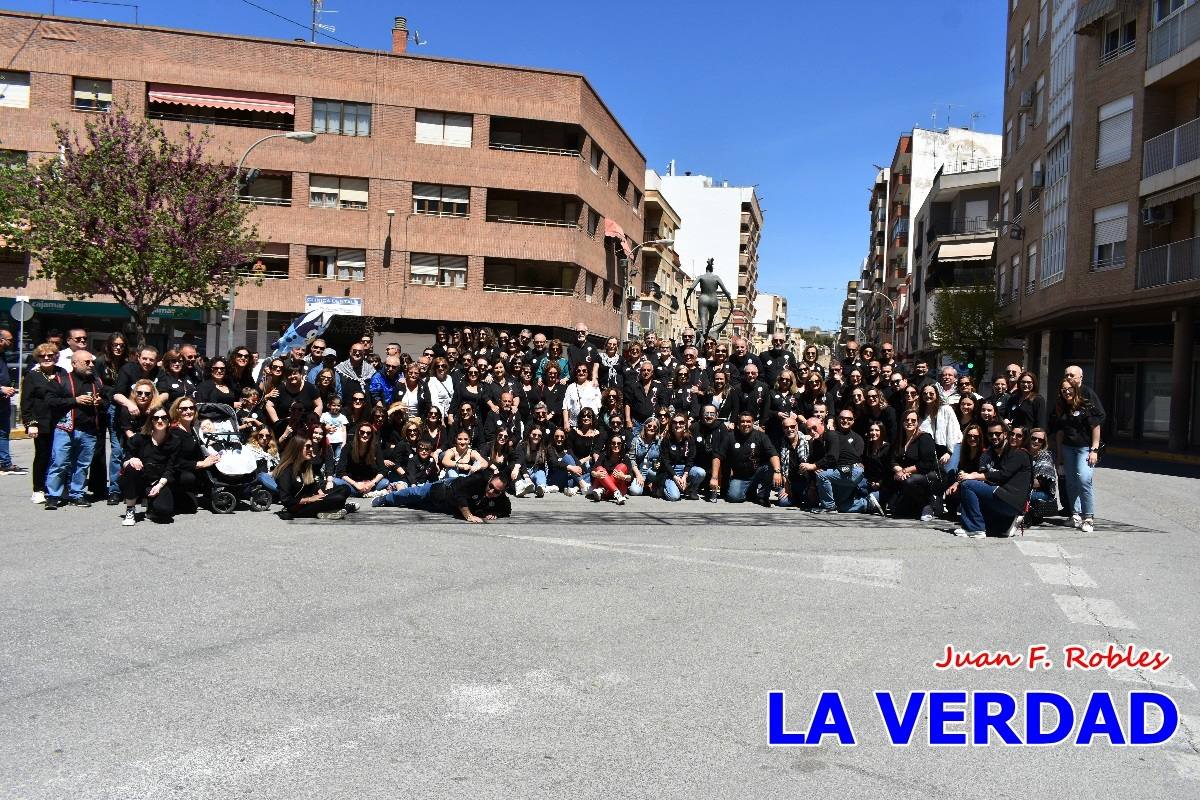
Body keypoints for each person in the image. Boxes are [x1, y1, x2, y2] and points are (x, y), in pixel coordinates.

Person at [44, 350, 112, 510]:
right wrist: (75, 400)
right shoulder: (61, 380)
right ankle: (53, 496)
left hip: (89, 430)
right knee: (59, 463)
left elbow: (107, 402)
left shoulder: (97, 382)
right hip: (65, 429)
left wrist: (100, 402)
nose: (91, 365)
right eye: (86, 362)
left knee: (82, 465)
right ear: (74, 363)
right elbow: (50, 401)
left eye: (92, 362)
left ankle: (77, 494)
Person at [953, 421, 1032, 539]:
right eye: (1012, 434)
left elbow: (1002, 475)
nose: (1014, 437)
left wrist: (974, 476)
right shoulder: (999, 453)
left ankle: (975, 529)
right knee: (972, 489)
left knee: (968, 485)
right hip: (1006, 499)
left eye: (1019, 436)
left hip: (1009, 499)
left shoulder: (1020, 454)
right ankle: (1004, 524)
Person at [1050, 379, 1103, 533]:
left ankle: (1088, 518)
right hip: (1067, 448)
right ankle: (1075, 515)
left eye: (1069, 389)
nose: (1066, 392)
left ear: (1075, 389)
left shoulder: (1086, 404)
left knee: (1084, 479)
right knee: (1071, 481)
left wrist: (1094, 449)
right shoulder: (1061, 407)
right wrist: (1059, 456)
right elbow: (1059, 433)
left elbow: (1096, 426)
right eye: (1063, 389)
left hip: (1084, 448)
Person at [117, 407, 184, 526]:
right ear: (151, 421)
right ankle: (130, 509)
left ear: (168, 421)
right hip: (139, 479)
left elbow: (171, 467)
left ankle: (151, 506)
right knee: (132, 467)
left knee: (164, 512)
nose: (160, 421)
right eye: (156, 418)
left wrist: (159, 485)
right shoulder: (139, 438)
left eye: (163, 418)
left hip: (159, 481)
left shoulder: (175, 441)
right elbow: (124, 459)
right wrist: (132, 459)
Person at [371, 469, 511, 523]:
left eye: (497, 491)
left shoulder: (501, 497)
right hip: (442, 489)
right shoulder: (479, 479)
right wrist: (468, 516)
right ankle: (385, 499)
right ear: (490, 480)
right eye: (491, 486)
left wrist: (495, 513)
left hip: (446, 507)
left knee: (414, 505)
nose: (492, 491)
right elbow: (459, 492)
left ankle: (398, 501)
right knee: (411, 494)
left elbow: (506, 509)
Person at [20, 343, 64, 503]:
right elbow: (26, 402)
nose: (46, 358)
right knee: (42, 455)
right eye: (42, 356)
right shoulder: (32, 376)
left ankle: (56, 487)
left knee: (59, 456)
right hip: (41, 422)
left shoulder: (62, 372)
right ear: (37, 358)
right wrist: (30, 423)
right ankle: (38, 488)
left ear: (56, 357)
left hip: (60, 421)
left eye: (50, 355)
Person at [273, 437, 354, 520]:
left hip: (310, 501)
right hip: (298, 508)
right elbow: (286, 500)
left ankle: (333, 510)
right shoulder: (285, 471)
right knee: (339, 498)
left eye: (311, 447)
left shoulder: (305, 466)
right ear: (297, 449)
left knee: (345, 488)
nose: (311, 449)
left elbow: (314, 486)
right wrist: (309, 499)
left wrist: (323, 495)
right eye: (308, 447)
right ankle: (341, 509)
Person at [710, 410, 781, 505]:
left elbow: (773, 454)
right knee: (733, 498)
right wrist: (714, 478)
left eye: (748, 421)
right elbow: (717, 456)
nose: (745, 424)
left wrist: (777, 471)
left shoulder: (761, 436)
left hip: (757, 473)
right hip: (740, 476)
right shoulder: (730, 437)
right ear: (738, 423)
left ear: (753, 423)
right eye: (742, 421)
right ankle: (749, 491)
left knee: (770, 466)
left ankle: (763, 496)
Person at [887, 410, 939, 519]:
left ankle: (927, 503)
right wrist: (899, 470)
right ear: (902, 422)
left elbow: (927, 464)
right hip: (907, 476)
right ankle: (917, 506)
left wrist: (905, 471)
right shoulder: (899, 439)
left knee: (910, 481)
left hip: (926, 476)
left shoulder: (924, 438)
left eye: (913, 420)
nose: (909, 422)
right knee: (895, 510)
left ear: (917, 422)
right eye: (906, 420)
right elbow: (892, 460)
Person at [813, 409, 867, 513]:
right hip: (838, 473)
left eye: (849, 419)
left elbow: (853, 458)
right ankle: (866, 503)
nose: (845, 421)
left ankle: (828, 507)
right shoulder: (832, 435)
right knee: (839, 505)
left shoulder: (858, 438)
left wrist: (816, 466)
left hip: (850, 472)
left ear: (853, 421)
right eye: (842, 418)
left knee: (822, 475)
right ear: (838, 419)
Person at [655, 414, 705, 501]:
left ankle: (690, 489)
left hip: (685, 469)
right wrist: (675, 476)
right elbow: (665, 461)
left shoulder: (690, 439)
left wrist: (685, 476)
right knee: (674, 497)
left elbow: (691, 459)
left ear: (685, 424)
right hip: (670, 471)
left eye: (681, 422)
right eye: (675, 422)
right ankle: (664, 487)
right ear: (671, 424)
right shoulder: (666, 440)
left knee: (700, 472)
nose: (678, 425)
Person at [334, 421, 389, 497]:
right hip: (353, 483)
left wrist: (371, 483)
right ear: (357, 433)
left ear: (371, 435)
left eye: (368, 433)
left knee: (385, 482)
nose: (365, 435)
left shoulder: (375, 447)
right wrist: (356, 484)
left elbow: (383, 470)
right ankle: (364, 493)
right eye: (362, 432)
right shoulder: (348, 447)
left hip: (370, 483)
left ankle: (357, 493)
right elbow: (340, 471)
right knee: (336, 481)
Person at [0, 328, 23, 476]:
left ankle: (5, 462)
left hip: (3, 402)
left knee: (3, 432)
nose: (12, 343)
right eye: (10, 340)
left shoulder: (2, 355)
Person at [1026, 427, 1059, 527]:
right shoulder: (1022, 452)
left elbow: (1038, 483)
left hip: (1041, 492)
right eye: (1033, 438)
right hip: (1026, 488)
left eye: (1040, 440)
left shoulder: (1045, 457)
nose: (1036, 441)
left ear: (1043, 443)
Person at [587, 434, 632, 504]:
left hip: (618, 486)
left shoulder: (625, 458)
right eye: (613, 443)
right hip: (609, 488)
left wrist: (624, 476)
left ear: (622, 445)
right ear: (610, 444)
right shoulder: (604, 455)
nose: (616, 445)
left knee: (622, 466)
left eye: (619, 443)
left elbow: (630, 477)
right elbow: (593, 470)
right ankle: (617, 493)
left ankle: (603, 490)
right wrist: (596, 474)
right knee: (599, 468)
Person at [626, 417, 663, 497]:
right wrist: (638, 475)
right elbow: (631, 459)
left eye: (655, 427)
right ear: (645, 426)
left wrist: (659, 464)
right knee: (635, 492)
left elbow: (662, 457)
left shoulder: (659, 441)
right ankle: (646, 487)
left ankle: (652, 484)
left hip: (652, 472)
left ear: (657, 429)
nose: (651, 428)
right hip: (639, 471)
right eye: (649, 426)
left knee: (653, 473)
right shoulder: (636, 440)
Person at [564, 363, 601, 430]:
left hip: (591, 425)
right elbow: (565, 406)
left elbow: (599, 405)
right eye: (579, 371)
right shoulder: (570, 387)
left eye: (584, 370)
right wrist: (566, 422)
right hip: (575, 425)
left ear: (588, 372)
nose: (581, 373)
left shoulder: (594, 386)